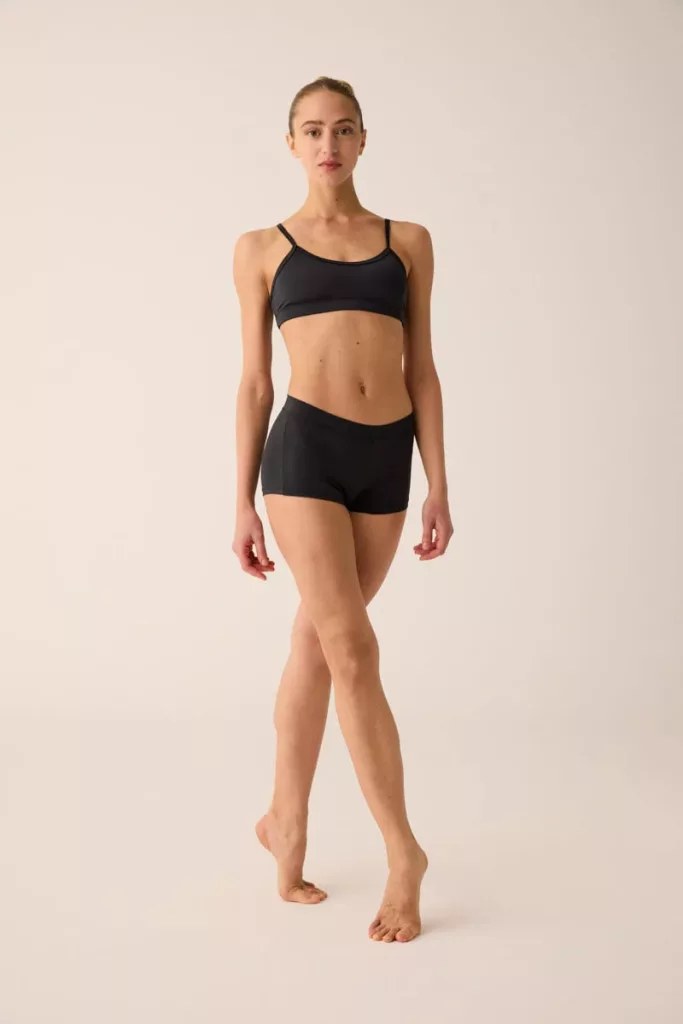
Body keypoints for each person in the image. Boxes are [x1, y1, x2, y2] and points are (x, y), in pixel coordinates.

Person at [231, 76, 453, 944]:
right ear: (291, 143)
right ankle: (404, 854)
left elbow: (422, 369)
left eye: (344, 129)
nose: (328, 144)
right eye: (313, 130)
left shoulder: (408, 241)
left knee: (315, 642)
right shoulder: (261, 248)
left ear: (363, 140)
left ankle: (283, 821)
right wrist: (241, 500)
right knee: (352, 645)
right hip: (303, 456)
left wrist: (438, 483)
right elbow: (255, 383)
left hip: (384, 458)